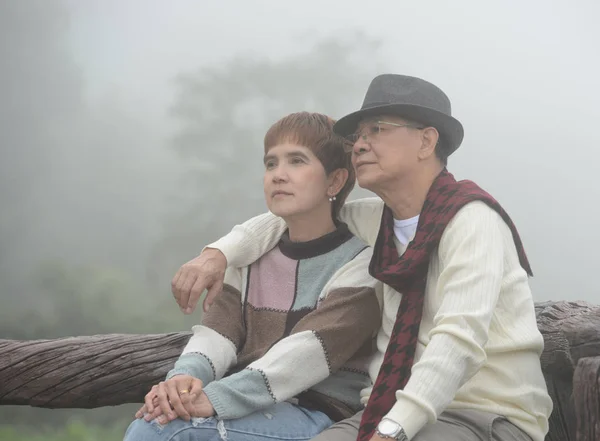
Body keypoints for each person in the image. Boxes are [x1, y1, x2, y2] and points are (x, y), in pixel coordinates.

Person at [171, 75, 553, 441]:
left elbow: (458, 342)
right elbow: (291, 217)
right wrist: (217, 254)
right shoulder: (375, 219)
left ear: (426, 141)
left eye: (378, 130)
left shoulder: (472, 222)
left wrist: (393, 430)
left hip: (483, 416)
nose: (359, 145)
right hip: (385, 409)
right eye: (358, 136)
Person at [124, 112, 383, 441]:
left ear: (334, 181)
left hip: (319, 415)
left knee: (167, 432)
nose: (278, 175)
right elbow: (218, 333)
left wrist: (215, 398)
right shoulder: (248, 257)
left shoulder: (362, 264)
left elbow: (305, 356)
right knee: (155, 423)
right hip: (249, 408)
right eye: (271, 163)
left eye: (296, 161)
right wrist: (182, 380)